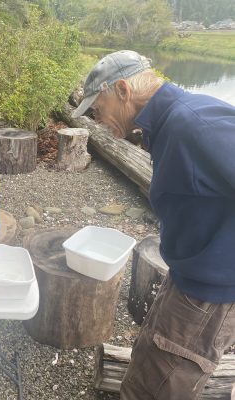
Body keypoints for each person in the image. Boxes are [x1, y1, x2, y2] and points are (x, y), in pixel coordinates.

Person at [72, 50, 235, 399]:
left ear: (122, 90)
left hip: (209, 293)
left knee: (158, 388)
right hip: (186, 277)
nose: (98, 122)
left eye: (97, 110)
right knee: (144, 368)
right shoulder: (166, 126)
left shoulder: (193, 123)